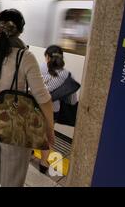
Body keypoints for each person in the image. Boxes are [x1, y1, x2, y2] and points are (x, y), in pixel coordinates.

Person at [0, 9, 55, 187]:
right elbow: (43, 98)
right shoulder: (25, 56)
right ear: (21, 30)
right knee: (13, 175)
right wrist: (49, 129)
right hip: (15, 119)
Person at [38, 45, 77, 174]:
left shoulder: (40, 68)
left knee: (32, 130)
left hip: (35, 107)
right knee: (48, 136)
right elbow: (72, 100)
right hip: (52, 110)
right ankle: (44, 163)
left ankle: (29, 152)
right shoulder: (66, 75)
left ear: (48, 57)